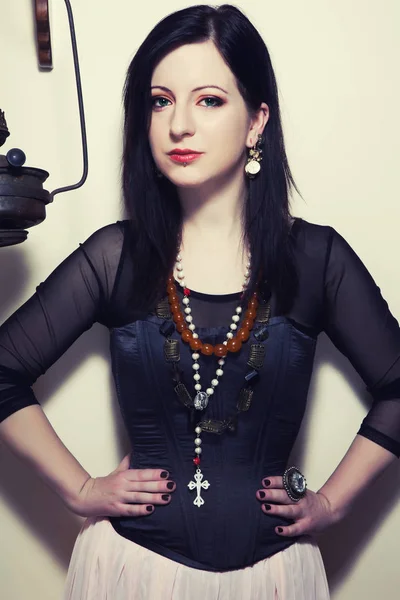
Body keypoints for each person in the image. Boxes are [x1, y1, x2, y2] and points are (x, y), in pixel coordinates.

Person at [0, 4, 399, 599]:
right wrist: (80, 490)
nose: (178, 125)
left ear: (257, 121)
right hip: (134, 572)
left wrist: (331, 504)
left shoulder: (315, 259)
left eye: (208, 100)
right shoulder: (117, 256)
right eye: (160, 101)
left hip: (275, 578)